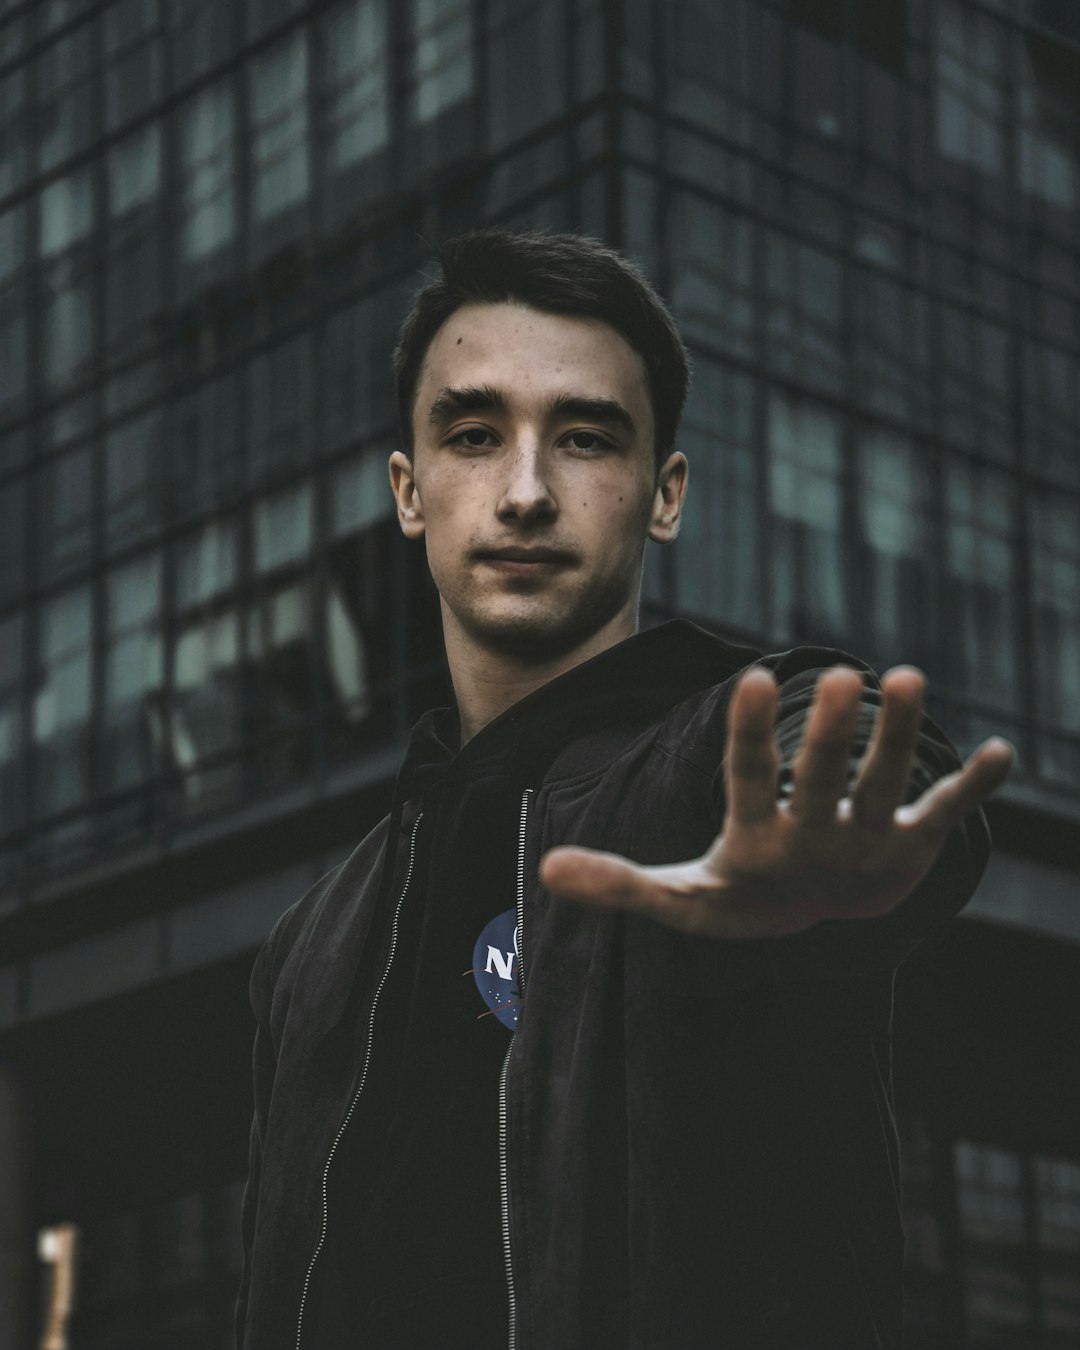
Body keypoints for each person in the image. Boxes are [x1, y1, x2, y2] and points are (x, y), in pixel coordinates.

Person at [235, 229, 1013, 1350]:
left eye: (587, 438)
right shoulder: (313, 940)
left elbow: (829, 737)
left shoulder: (708, 763)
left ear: (664, 494)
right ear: (410, 492)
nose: (526, 492)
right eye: (472, 434)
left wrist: (824, 825)